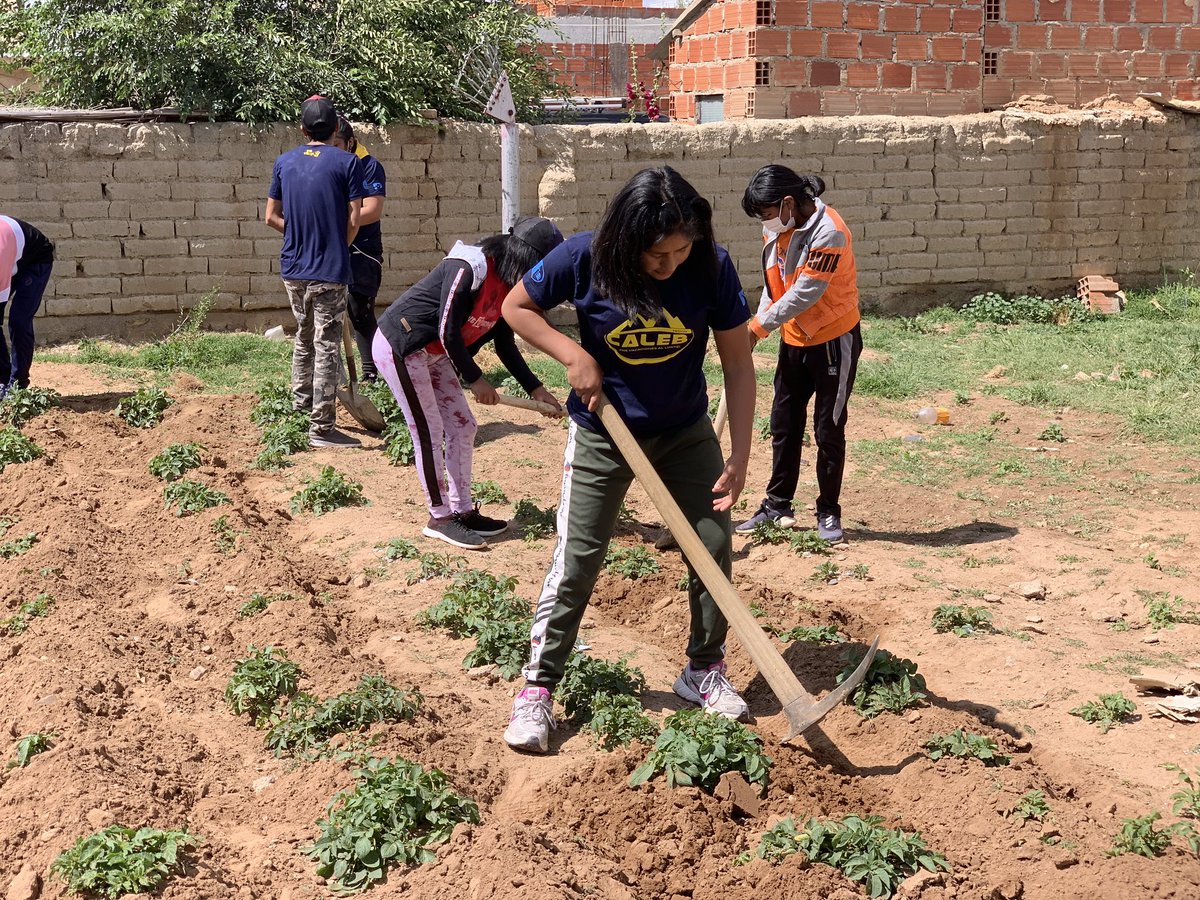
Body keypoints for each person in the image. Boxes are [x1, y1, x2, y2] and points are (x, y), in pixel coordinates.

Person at [500, 166, 756, 754]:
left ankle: (703, 671)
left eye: (679, 250)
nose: (669, 265)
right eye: (656, 255)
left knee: (713, 545)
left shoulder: (710, 267)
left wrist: (739, 456)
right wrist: (571, 354)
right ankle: (537, 689)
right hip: (604, 433)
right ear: (626, 240)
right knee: (578, 558)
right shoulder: (585, 255)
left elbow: (738, 366)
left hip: (684, 431)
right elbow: (517, 307)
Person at [371, 216, 565, 551]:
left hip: (435, 354)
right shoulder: (469, 266)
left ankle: (461, 511)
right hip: (401, 346)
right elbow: (447, 329)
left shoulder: (508, 286)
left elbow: (505, 343)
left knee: (463, 426)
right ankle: (440, 518)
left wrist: (536, 389)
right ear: (525, 257)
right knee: (428, 430)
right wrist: (476, 379)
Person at [735, 166, 862, 544]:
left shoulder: (830, 231)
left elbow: (806, 292)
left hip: (832, 339)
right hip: (794, 339)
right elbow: (774, 284)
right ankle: (777, 505)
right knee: (784, 423)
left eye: (766, 213)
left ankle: (828, 512)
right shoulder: (777, 227)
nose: (765, 222)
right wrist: (758, 321)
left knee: (828, 427)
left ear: (788, 203)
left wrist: (758, 328)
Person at [265, 95, 365, 449]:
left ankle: (299, 409)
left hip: (293, 268)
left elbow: (270, 217)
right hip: (329, 268)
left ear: (302, 129)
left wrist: (298, 234)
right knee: (327, 345)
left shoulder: (284, 162)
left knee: (303, 339)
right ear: (336, 128)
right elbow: (354, 217)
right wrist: (340, 242)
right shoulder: (347, 163)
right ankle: (322, 427)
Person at [330, 116, 385, 382]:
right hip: (332, 246)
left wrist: (334, 221)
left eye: (337, 144)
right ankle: (334, 375)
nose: (332, 150)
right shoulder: (327, 166)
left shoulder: (369, 166)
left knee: (360, 310)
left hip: (362, 249)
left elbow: (372, 211)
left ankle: (371, 372)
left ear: (350, 143)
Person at [0, 217, 54, 397]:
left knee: (18, 320)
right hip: (12, 251)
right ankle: (2, 379)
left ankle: (18, 384)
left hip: (36, 258)